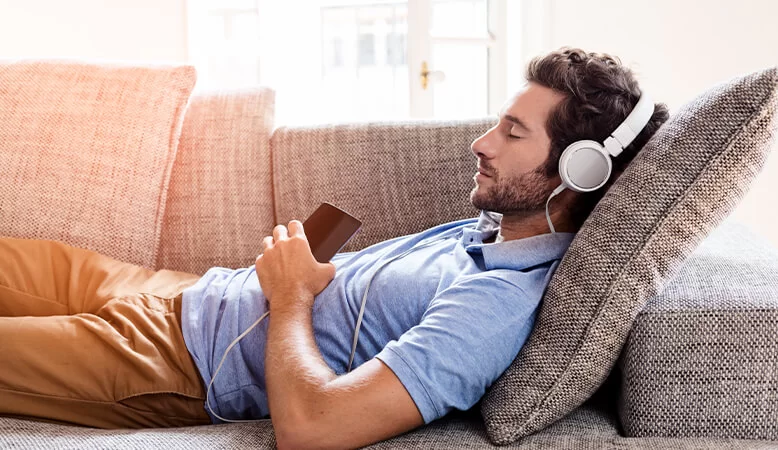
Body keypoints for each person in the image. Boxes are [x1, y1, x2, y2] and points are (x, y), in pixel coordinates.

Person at [0, 47, 669, 449]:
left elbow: (313, 429)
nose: (482, 142)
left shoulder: (494, 309)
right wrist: (303, 270)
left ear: (577, 171)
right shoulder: (489, 235)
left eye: (512, 133)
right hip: (176, 289)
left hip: (171, 362)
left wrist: (291, 294)